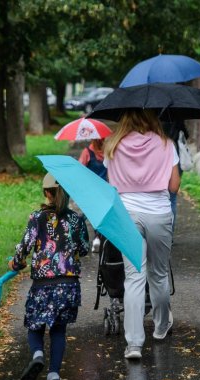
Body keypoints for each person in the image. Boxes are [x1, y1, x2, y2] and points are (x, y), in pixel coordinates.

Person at [103, 109, 180, 359]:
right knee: (158, 274)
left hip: (126, 215)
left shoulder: (113, 145)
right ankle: (160, 326)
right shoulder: (166, 143)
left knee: (133, 277)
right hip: (158, 213)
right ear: (152, 117)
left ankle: (134, 344)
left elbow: (109, 183)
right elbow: (174, 186)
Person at [9, 173, 90, 380]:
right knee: (58, 331)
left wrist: (15, 264)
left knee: (35, 325)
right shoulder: (77, 219)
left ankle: (37, 355)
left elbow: (23, 248)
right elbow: (84, 249)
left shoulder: (37, 218)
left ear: (46, 192)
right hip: (68, 284)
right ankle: (54, 376)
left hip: (43, 284)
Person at [78, 138, 107, 252]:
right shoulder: (108, 152)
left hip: (91, 189)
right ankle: (98, 237)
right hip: (105, 188)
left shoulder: (87, 152)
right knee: (102, 214)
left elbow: (80, 170)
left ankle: (95, 238)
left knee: (95, 214)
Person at [160, 119, 188, 231]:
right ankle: (169, 232)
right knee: (172, 197)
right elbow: (186, 134)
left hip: (159, 155)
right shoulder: (176, 115)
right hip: (176, 156)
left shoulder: (153, 116)